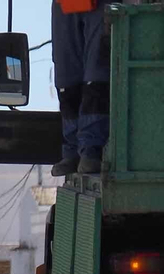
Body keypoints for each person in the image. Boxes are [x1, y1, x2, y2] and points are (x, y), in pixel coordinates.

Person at [52, 0, 109, 176]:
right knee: (67, 80)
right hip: (67, 4)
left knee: (97, 75)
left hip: (101, 5)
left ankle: (91, 149)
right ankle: (74, 151)